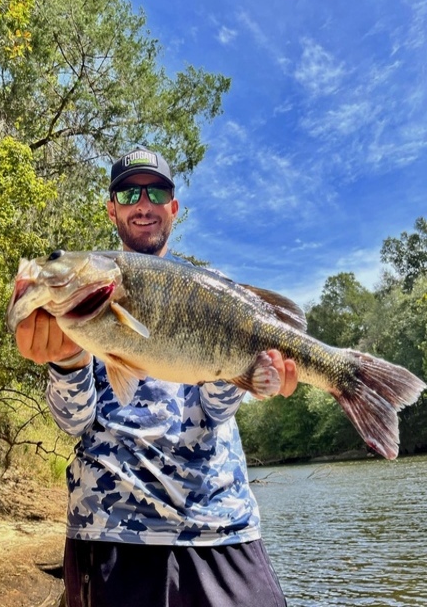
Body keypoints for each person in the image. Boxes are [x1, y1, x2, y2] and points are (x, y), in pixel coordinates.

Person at [15, 147, 298, 607]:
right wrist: (66, 363)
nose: (142, 203)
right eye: (128, 192)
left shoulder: (216, 287)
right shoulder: (83, 300)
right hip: (110, 531)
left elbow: (216, 411)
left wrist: (252, 375)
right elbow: (74, 423)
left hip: (218, 525)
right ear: (112, 208)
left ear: (173, 207)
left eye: (156, 191)